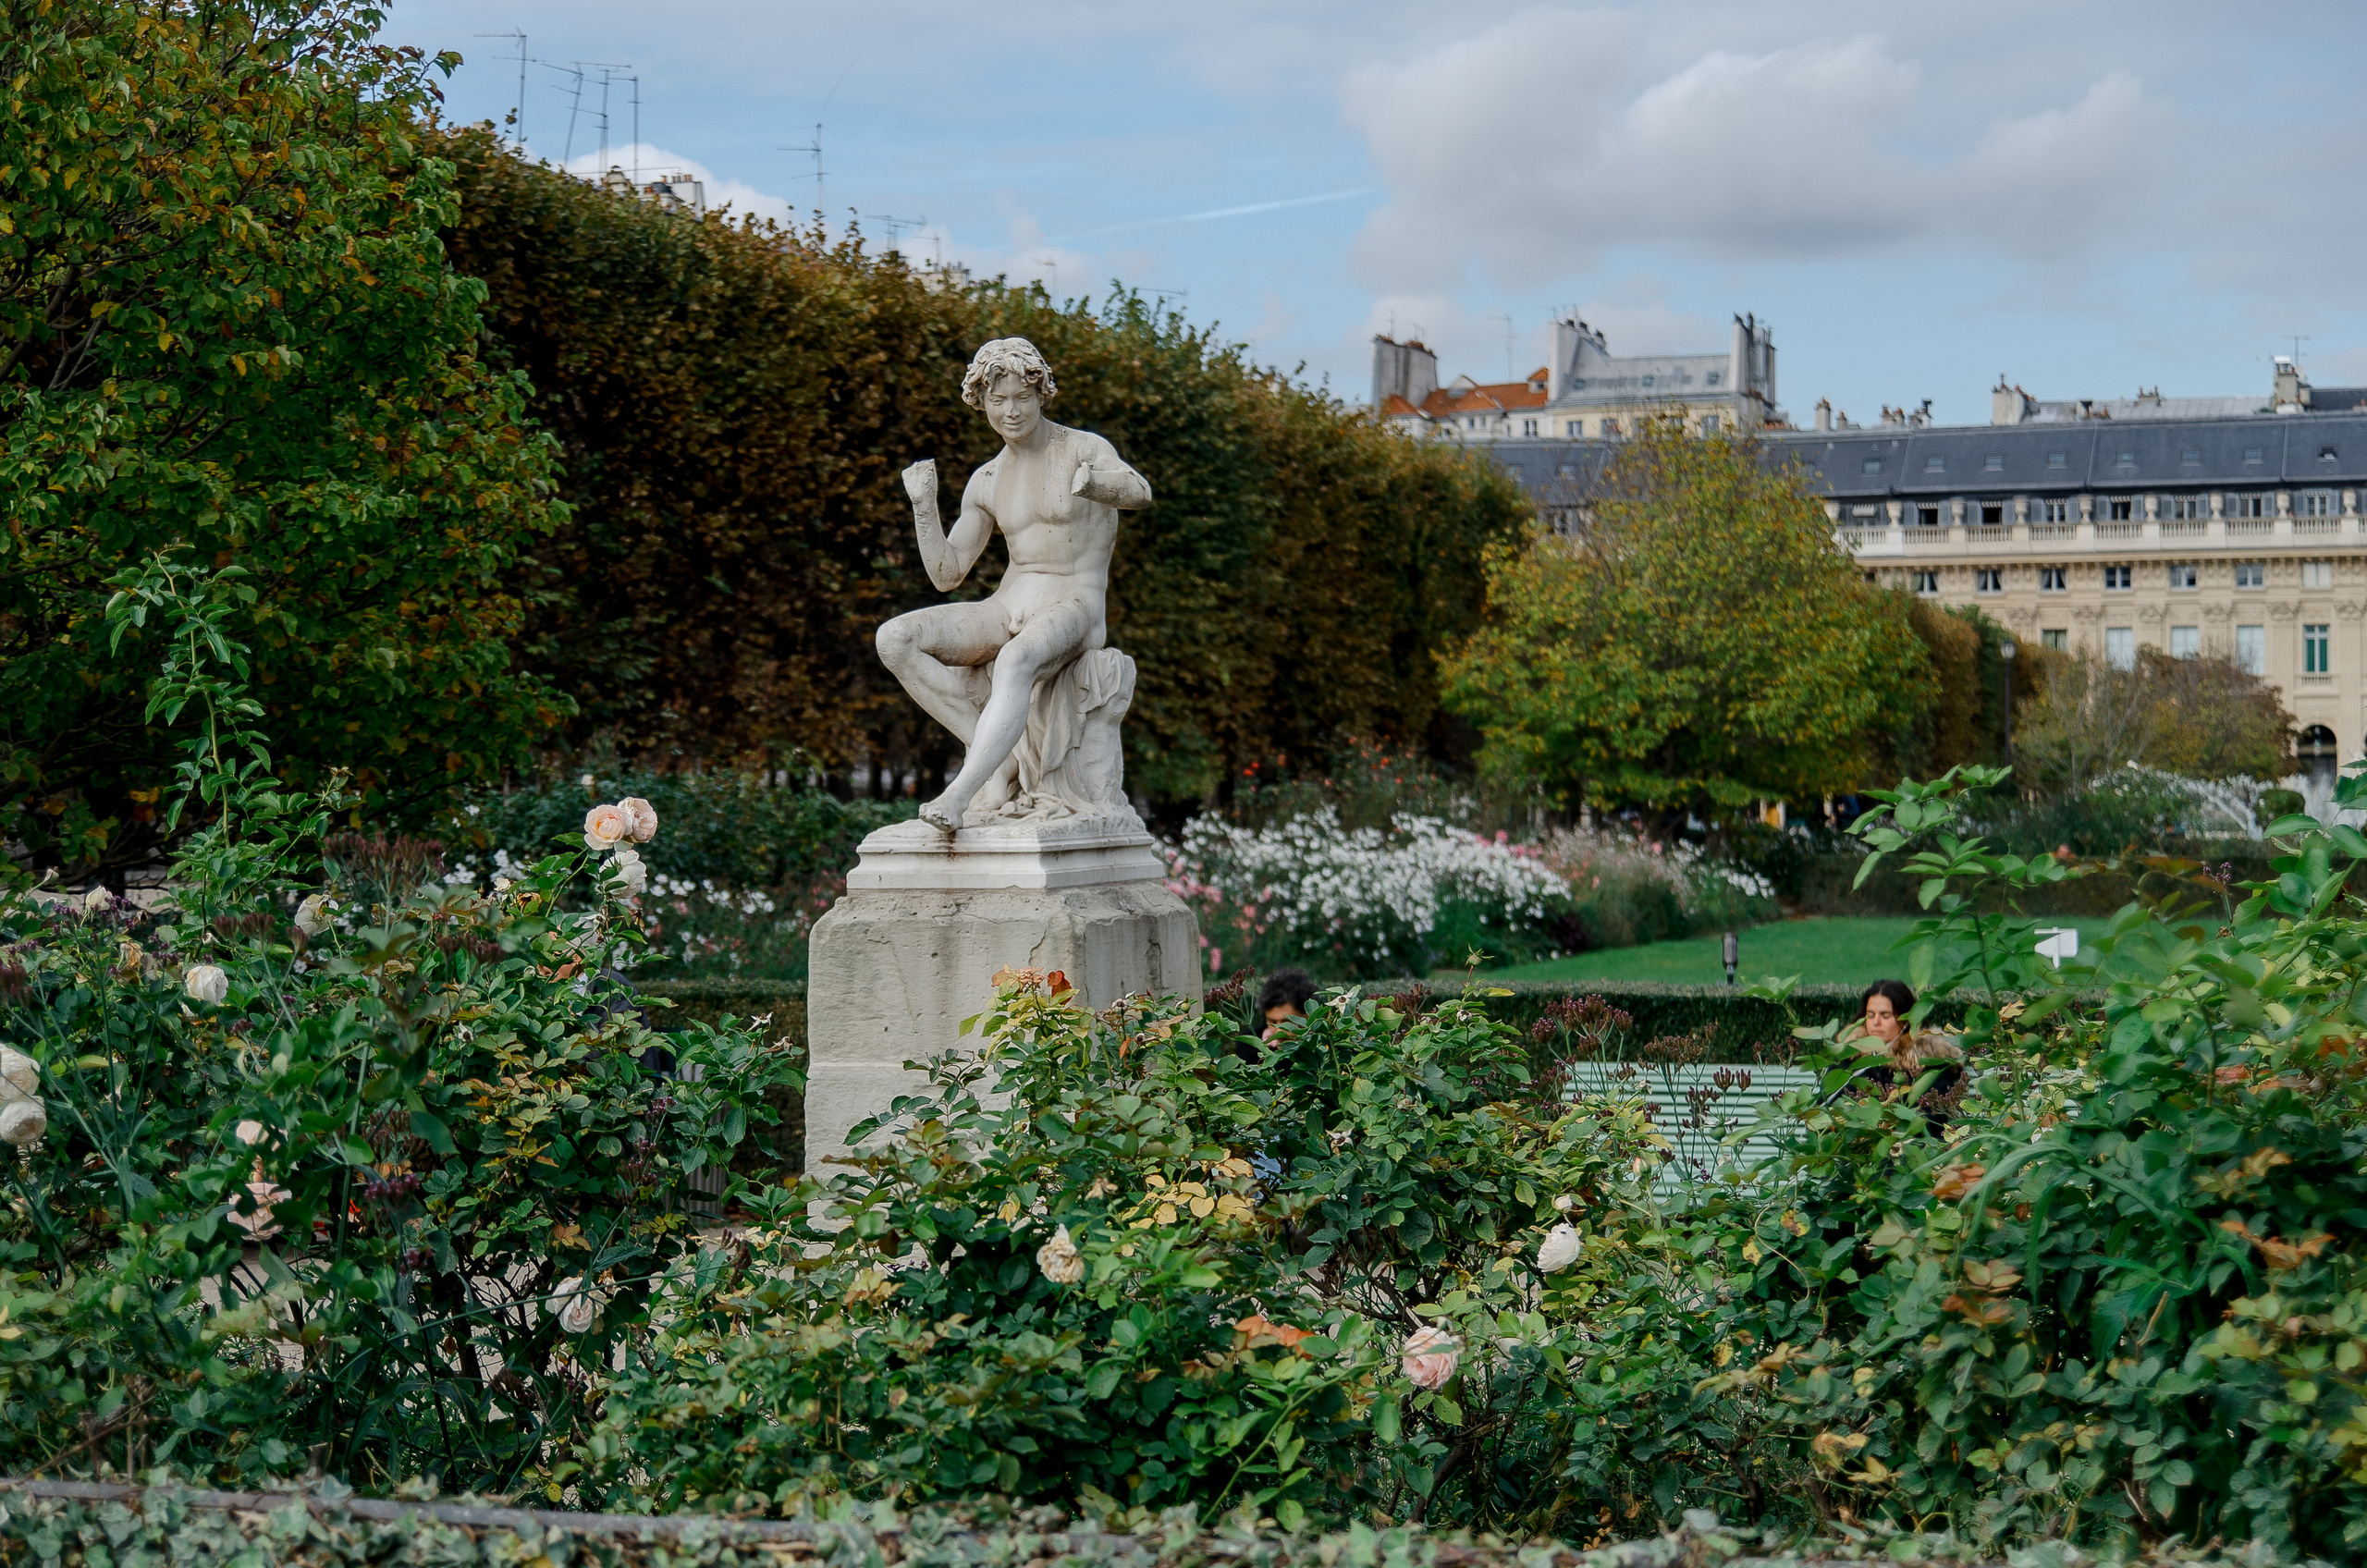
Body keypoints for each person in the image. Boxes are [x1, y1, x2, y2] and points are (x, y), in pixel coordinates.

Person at [883, 338, 1153, 834]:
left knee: (1015, 659)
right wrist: (924, 506)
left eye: (1021, 398)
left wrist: (1092, 483)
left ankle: (961, 791)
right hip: (1008, 602)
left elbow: (1139, 492)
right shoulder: (986, 479)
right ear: (981, 402)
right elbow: (947, 574)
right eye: (997, 400)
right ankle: (995, 755)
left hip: (1073, 602)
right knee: (895, 640)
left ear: (1040, 394)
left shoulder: (1083, 448)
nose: (1010, 411)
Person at [1848, 979, 1965, 1123]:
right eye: (1870, 1015)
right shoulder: (1850, 1057)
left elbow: (1934, 1119)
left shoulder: (1929, 1060)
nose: (1875, 1022)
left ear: (1907, 1020)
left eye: (1885, 1016)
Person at [1258, 968, 1318, 1041]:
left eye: (1286, 1022)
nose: (1279, 1031)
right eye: (1272, 1022)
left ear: (1308, 1016)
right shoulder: (1249, 1046)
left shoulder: (1328, 1045)